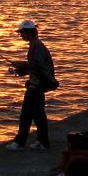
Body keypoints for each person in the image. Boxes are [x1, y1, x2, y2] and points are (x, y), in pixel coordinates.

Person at [8, 19, 57, 150]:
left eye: (22, 33)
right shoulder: (36, 44)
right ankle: (42, 142)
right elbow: (34, 67)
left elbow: (36, 66)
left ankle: (20, 143)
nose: (21, 35)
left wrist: (21, 66)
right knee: (38, 115)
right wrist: (22, 69)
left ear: (29, 32)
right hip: (38, 84)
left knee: (26, 115)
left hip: (37, 85)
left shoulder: (36, 46)